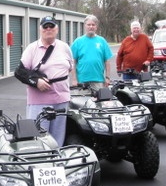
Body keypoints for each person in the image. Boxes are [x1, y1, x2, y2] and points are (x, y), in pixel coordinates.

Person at [17, 15, 73, 146]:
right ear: (40, 29)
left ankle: (56, 163)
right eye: (45, 26)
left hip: (61, 100)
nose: (48, 29)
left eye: (51, 26)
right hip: (39, 102)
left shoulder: (65, 47)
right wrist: (36, 82)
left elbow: (70, 68)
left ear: (57, 29)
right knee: (38, 137)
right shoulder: (32, 48)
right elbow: (20, 72)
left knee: (58, 137)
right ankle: (40, 163)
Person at [70, 14, 113, 88]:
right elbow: (73, 62)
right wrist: (74, 79)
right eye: (89, 25)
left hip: (99, 81)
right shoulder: (78, 42)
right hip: (81, 81)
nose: (91, 27)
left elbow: (107, 61)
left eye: (93, 25)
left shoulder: (102, 41)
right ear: (85, 26)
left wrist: (107, 77)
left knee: (100, 99)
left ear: (96, 27)